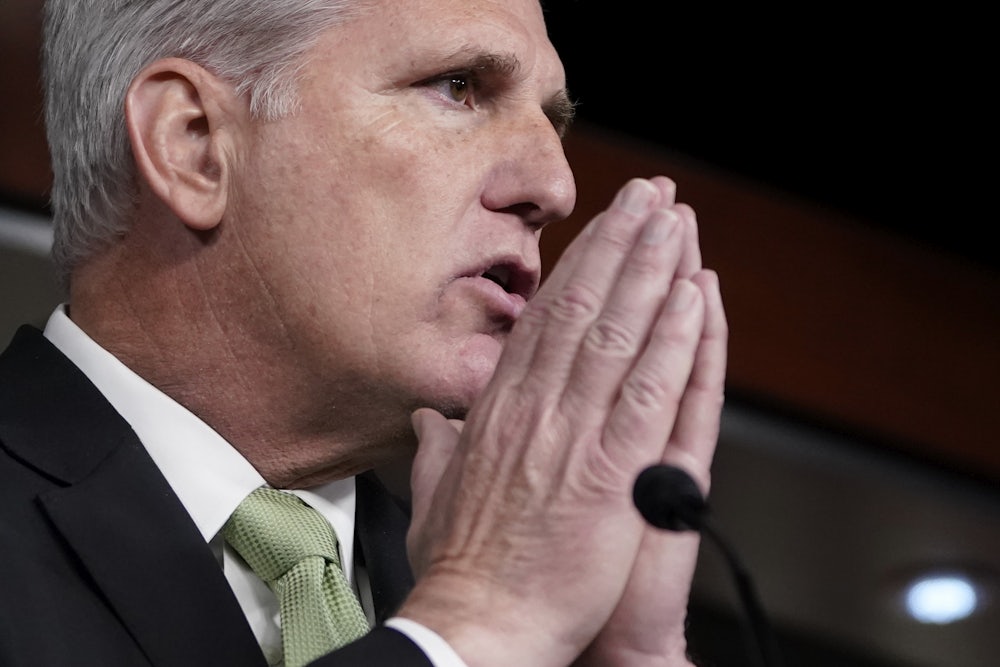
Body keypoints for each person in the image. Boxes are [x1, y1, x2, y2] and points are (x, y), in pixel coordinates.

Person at [0, 0, 728, 665]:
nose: (556, 185)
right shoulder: (488, 616)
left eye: (551, 120)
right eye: (459, 86)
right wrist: (470, 627)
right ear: (194, 143)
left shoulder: (527, 606)